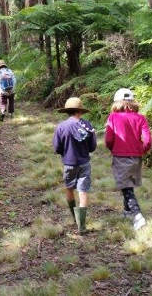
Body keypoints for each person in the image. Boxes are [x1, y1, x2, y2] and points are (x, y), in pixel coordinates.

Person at [104, 88, 152, 230]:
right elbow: (148, 140)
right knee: (128, 183)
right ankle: (127, 212)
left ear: (117, 102)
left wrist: (113, 148)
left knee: (126, 188)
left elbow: (109, 139)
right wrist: (141, 150)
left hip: (120, 156)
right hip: (136, 157)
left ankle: (138, 216)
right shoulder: (140, 118)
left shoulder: (113, 117)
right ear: (132, 102)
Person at [53, 97, 96, 233]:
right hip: (84, 163)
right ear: (80, 111)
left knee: (69, 189)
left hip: (69, 164)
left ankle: (74, 217)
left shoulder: (61, 127)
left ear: (67, 111)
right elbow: (92, 147)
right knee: (83, 192)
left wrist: (65, 152)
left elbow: (57, 147)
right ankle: (81, 226)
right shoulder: (88, 125)